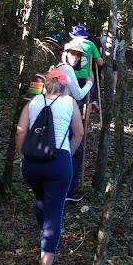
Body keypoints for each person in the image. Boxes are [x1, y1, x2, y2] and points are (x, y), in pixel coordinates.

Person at [16, 68, 84, 265]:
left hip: (32, 164)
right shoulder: (70, 103)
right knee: (54, 214)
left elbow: (20, 132)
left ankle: (44, 236)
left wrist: (22, 158)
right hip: (58, 163)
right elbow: (79, 133)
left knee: (40, 198)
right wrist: (67, 155)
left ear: (46, 84)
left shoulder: (32, 103)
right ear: (64, 86)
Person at [56, 38, 94, 202]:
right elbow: (78, 94)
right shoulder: (67, 69)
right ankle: (69, 191)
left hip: (57, 114)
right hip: (65, 114)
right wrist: (89, 84)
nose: (76, 57)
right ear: (66, 54)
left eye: (78, 55)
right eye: (73, 54)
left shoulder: (57, 68)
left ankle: (61, 188)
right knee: (75, 151)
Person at [68, 24, 103, 113]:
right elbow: (100, 62)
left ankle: (74, 117)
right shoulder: (90, 44)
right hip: (87, 76)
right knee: (88, 101)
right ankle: (85, 119)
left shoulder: (70, 45)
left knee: (73, 99)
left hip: (72, 76)